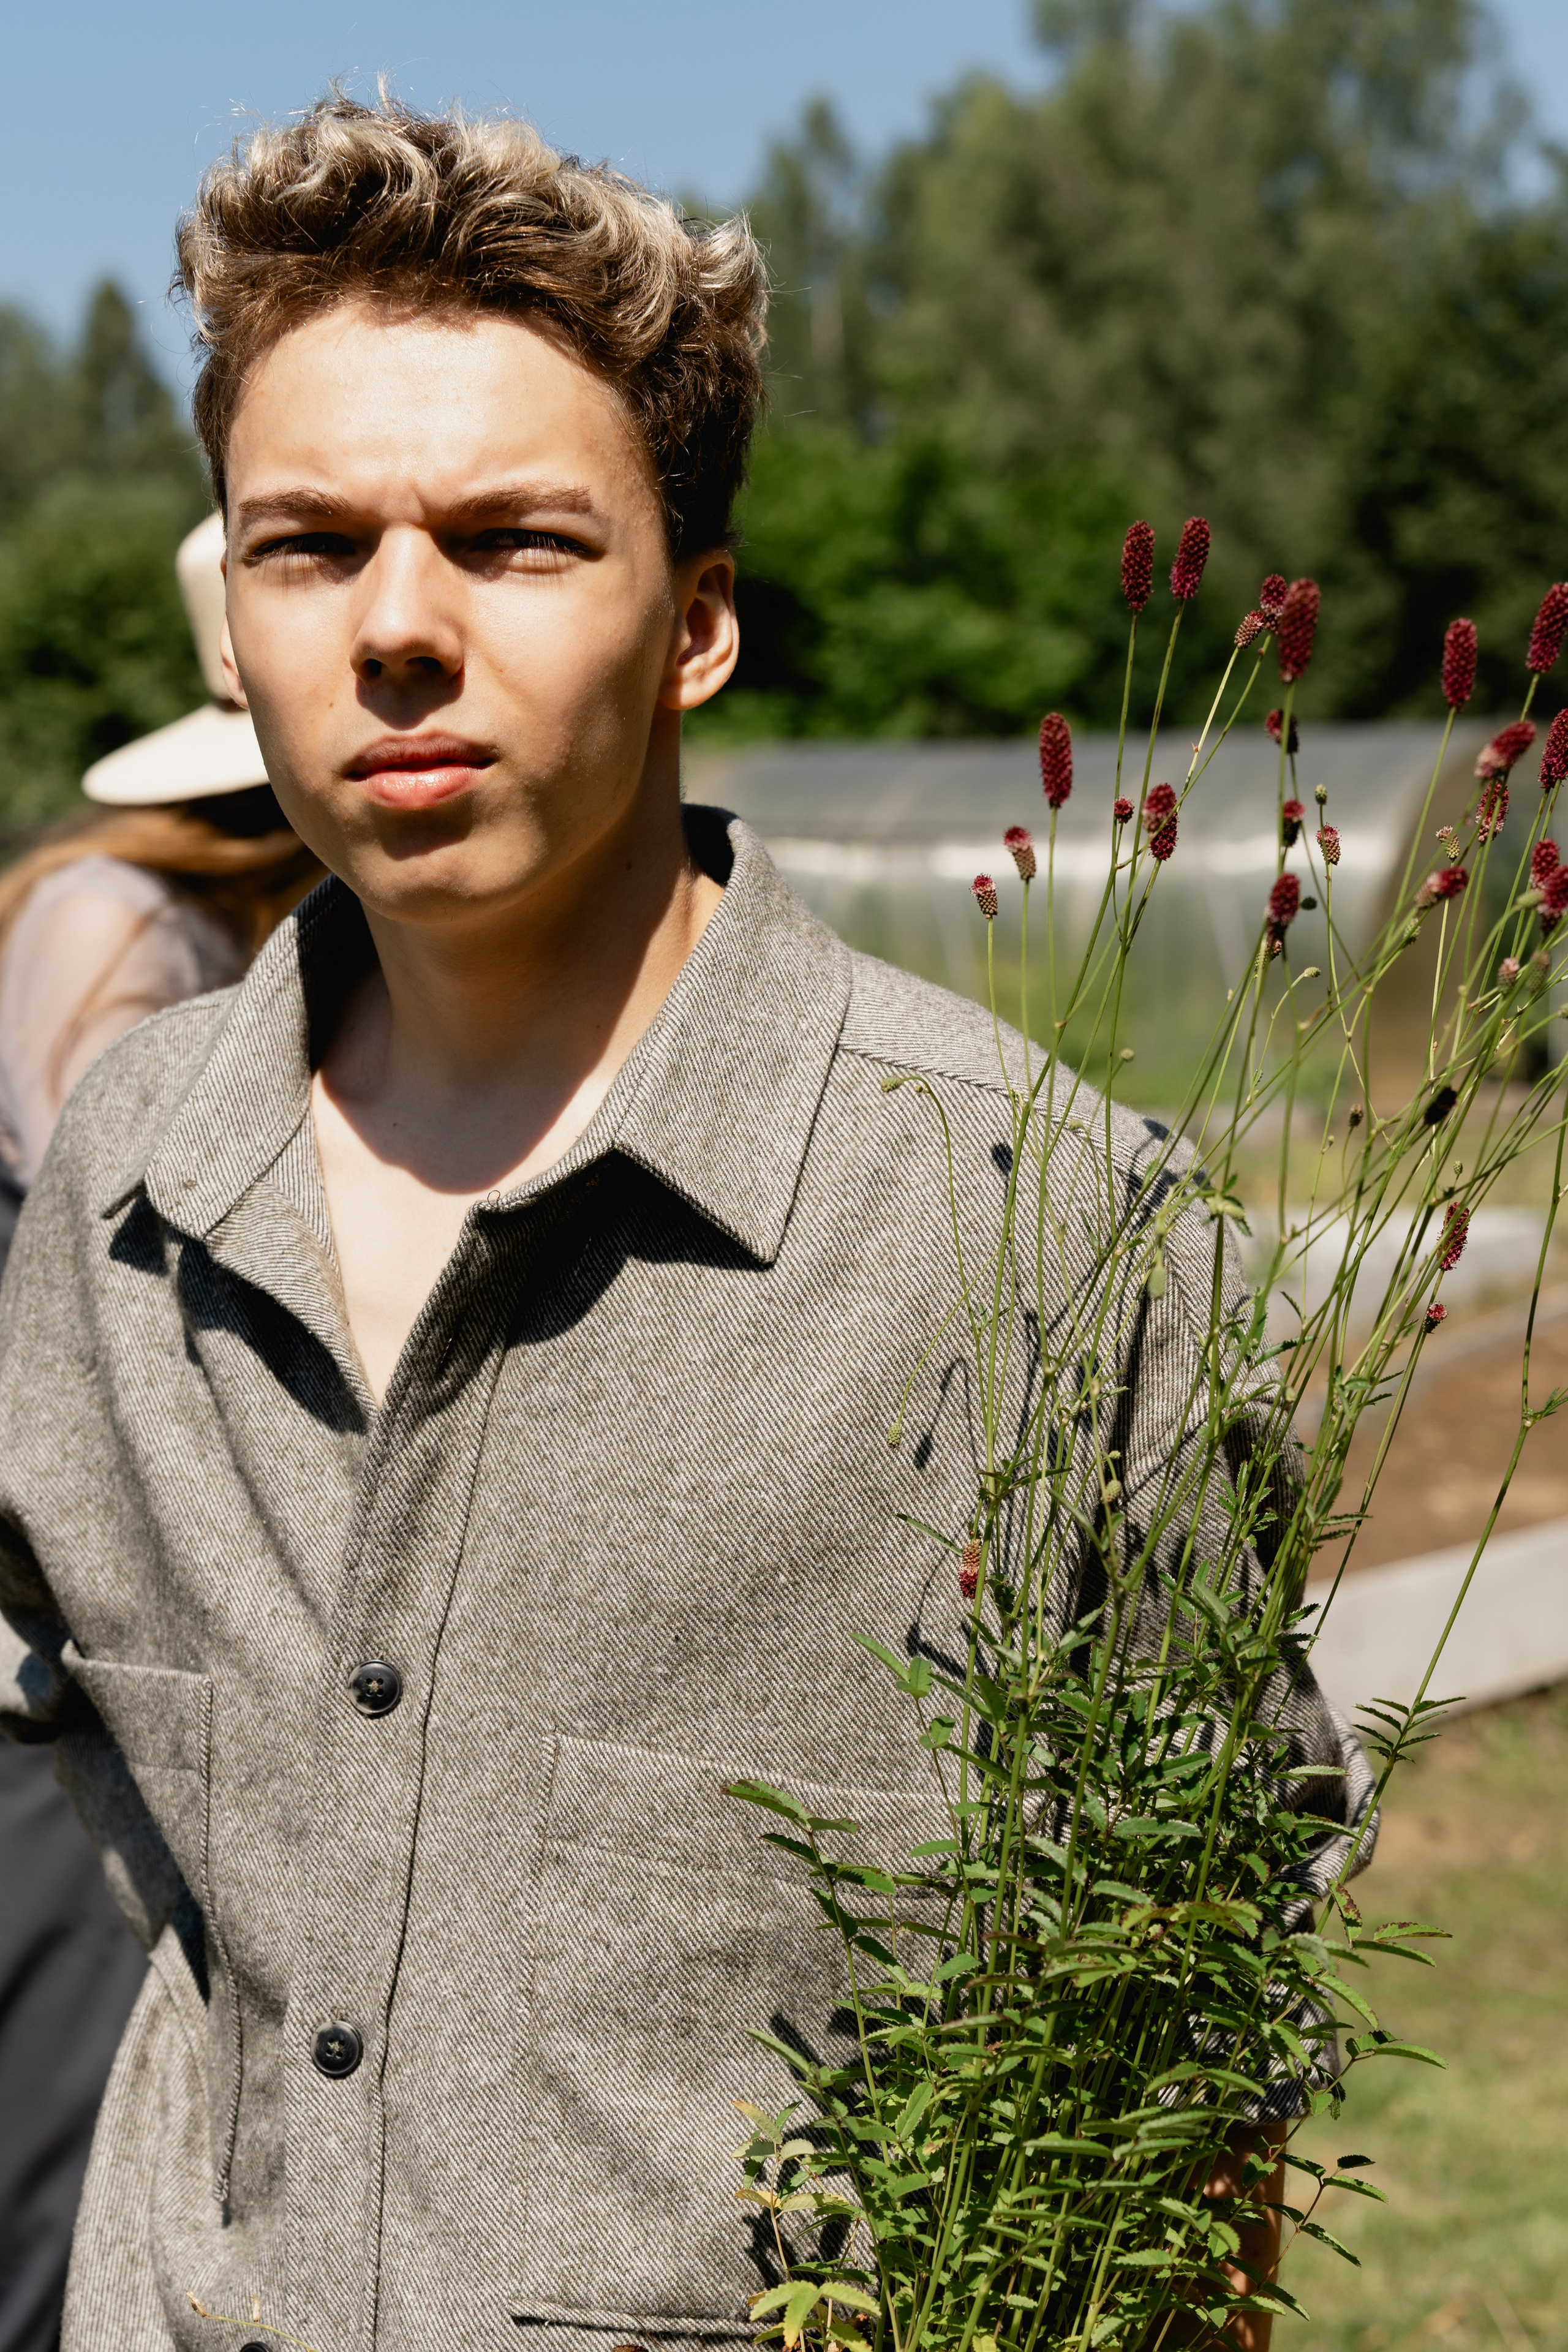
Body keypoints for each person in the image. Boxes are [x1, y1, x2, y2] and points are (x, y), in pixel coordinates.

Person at [0, 97, 1359, 2352]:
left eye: (519, 543)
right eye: (309, 548)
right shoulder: (118, 1189)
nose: (402, 632)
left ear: (699, 619)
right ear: (232, 621)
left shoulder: (1028, 1233)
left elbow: (1207, 2041)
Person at [0, 515, 320, 2352]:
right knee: (67, 2057)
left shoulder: (284, 928)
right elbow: (115, 1250)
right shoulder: (113, 921)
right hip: (69, 1554)